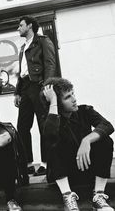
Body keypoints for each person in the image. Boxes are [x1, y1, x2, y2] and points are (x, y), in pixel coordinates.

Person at [41, 77, 114, 211]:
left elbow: (107, 126)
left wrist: (86, 141)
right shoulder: (51, 120)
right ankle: (68, 197)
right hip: (63, 175)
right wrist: (53, 102)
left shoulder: (84, 111)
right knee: (52, 142)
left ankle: (98, 197)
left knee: (105, 140)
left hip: (85, 168)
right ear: (57, 102)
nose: (74, 99)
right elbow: (50, 135)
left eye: (73, 94)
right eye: (68, 97)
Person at [14, 16, 57, 175]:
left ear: (30, 26)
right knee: (22, 127)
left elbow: (50, 64)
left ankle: (46, 164)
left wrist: (47, 87)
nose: (18, 28)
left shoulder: (43, 41)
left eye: (20, 25)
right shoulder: (22, 47)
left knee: (43, 125)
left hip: (38, 85)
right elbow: (22, 72)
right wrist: (17, 92)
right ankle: (28, 164)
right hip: (25, 87)